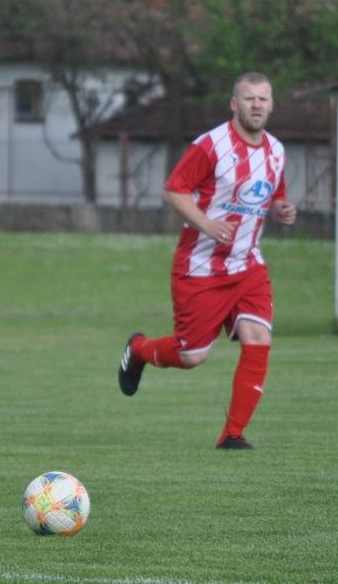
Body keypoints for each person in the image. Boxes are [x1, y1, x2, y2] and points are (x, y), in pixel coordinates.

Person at [117, 72, 296, 450]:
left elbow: (274, 193)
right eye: (249, 99)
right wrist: (207, 224)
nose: (257, 105)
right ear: (234, 104)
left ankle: (232, 435)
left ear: (272, 104)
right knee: (191, 355)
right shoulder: (211, 145)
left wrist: (281, 209)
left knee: (258, 337)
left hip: (248, 264)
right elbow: (173, 190)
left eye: (263, 99)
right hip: (200, 267)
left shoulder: (276, 150)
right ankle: (138, 349)